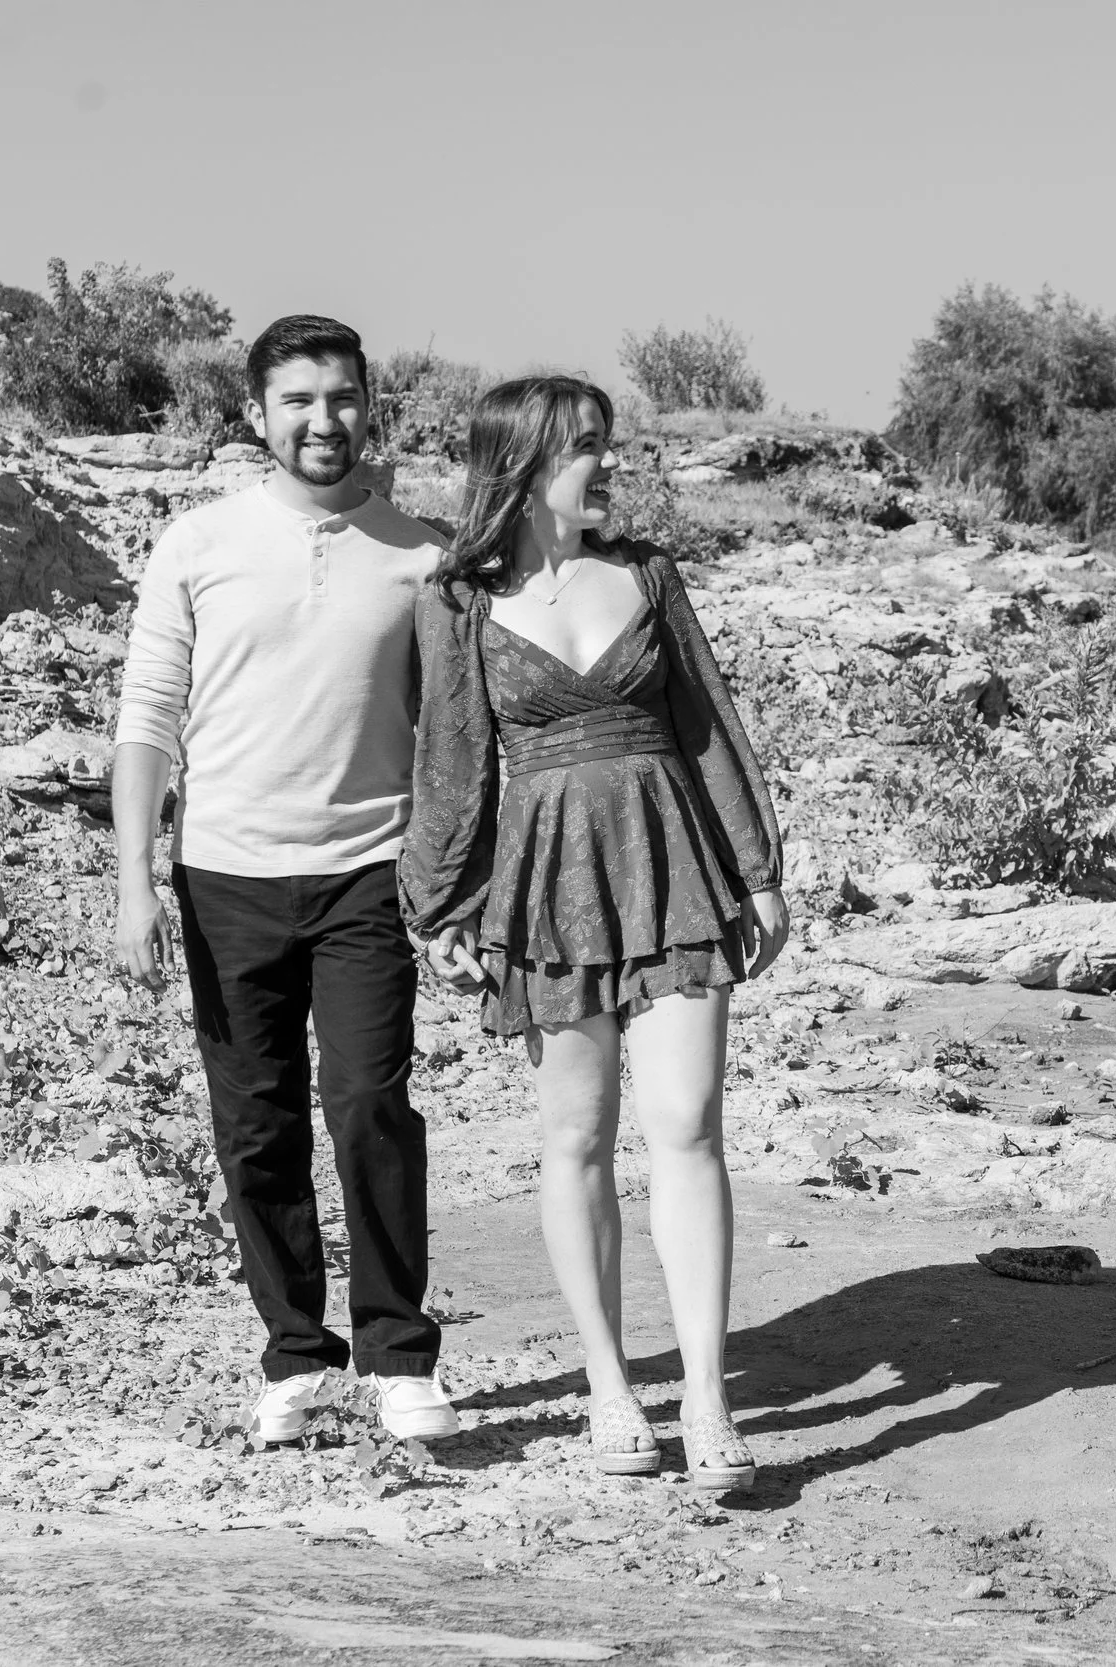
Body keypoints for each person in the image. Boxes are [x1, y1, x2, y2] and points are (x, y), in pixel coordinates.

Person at [398, 375, 788, 1494]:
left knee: (688, 1121)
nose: (608, 465)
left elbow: (706, 723)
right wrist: (442, 902)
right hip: (545, 882)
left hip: (673, 861)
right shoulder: (460, 599)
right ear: (520, 462)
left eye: (607, 444)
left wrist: (756, 871)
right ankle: (611, 1387)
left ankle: (708, 1395)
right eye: (584, 448)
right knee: (575, 1138)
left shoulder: (648, 574)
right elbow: (452, 763)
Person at [111, 315, 459, 1445]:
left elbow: (459, 732)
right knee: (255, 1126)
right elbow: (147, 718)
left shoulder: (420, 553)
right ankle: (297, 1358)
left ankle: (400, 1353)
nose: (325, 420)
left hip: (368, 876)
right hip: (225, 876)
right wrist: (136, 884)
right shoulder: (197, 542)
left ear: (370, 406)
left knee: (369, 1108)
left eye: (344, 397)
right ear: (255, 415)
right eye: (299, 400)